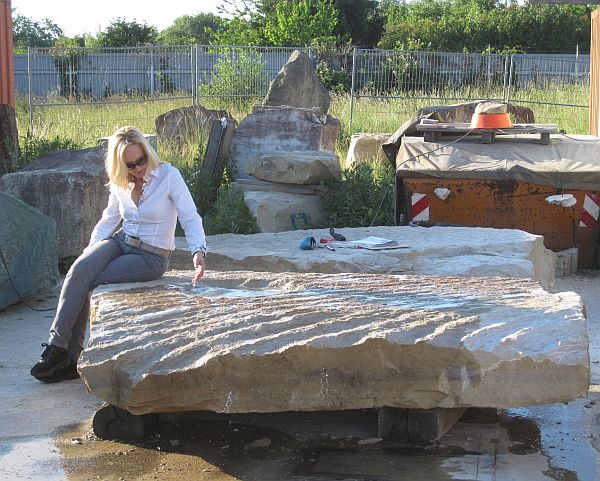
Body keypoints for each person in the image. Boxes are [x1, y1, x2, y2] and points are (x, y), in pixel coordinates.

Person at [30, 126, 207, 383]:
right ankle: (58, 349)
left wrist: (198, 252)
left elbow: (190, 217)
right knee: (79, 271)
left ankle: (71, 357)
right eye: (130, 165)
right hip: (122, 240)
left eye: (141, 160)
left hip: (151, 256)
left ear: (148, 153)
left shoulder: (169, 176)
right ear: (120, 164)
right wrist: (89, 253)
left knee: (91, 279)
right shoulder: (121, 181)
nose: (138, 168)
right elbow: (108, 219)